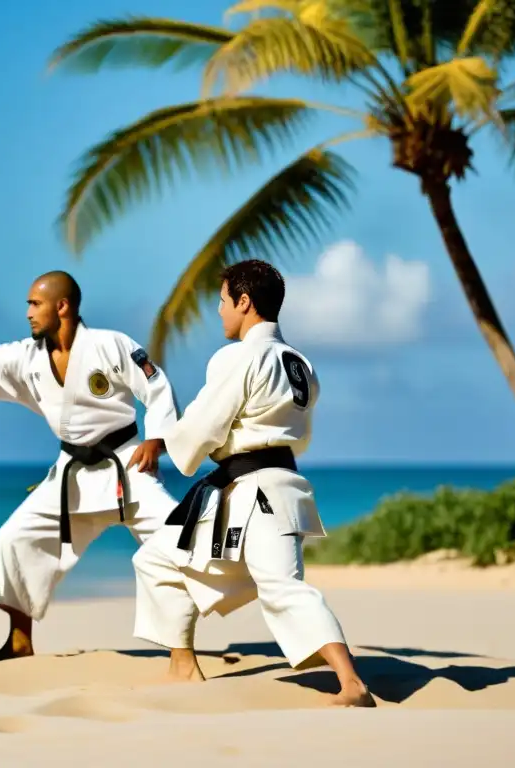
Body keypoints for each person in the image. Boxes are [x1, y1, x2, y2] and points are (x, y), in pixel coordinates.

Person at [129, 259, 375, 706]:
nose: (219, 312)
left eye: (223, 302)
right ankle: (182, 665)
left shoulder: (241, 356)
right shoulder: (300, 364)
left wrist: (165, 436)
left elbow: (205, 425)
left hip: (256, 494)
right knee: (156, 560)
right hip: (272, 487)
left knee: (283, 587)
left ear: (245, 302)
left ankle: (351, 682)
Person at [0, 270, 182, 660]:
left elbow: (156, 386)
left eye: (35, 304)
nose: (28, 313)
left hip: (124, 464)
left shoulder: (111, 345)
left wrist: (157, 439)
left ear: (62, 306)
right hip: (71, 471)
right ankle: (19, 641)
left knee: (179, 535)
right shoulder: (27, 357)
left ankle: (180, 645)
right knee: (13, 538)